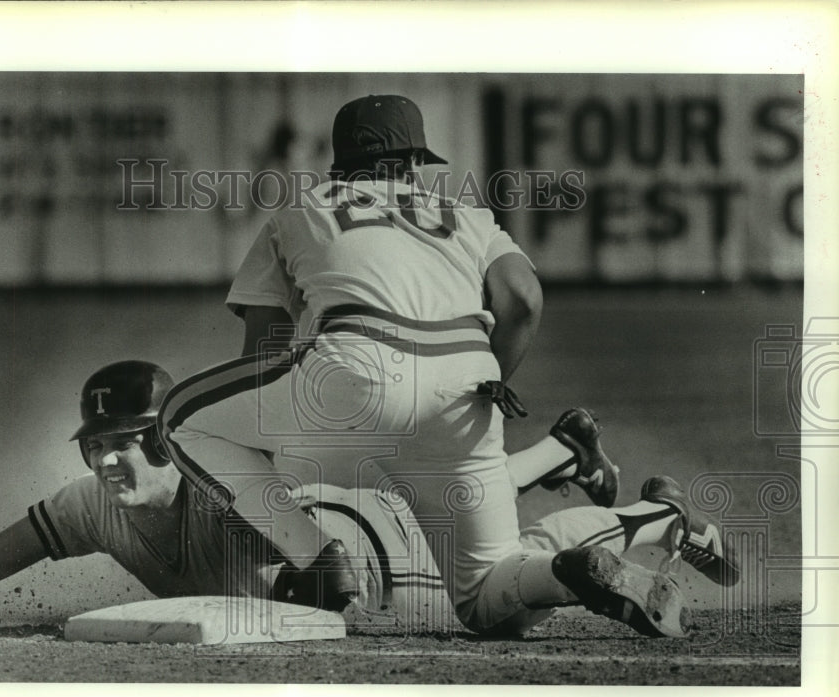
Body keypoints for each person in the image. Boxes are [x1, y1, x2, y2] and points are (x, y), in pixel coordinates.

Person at [160, 94, 738, 637]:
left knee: (181, 417)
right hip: (465, 390)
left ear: (341, 165)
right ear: (414, 162)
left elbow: (264, 350)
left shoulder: (300, 209)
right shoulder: (465, 213)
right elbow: (524, 300)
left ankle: (317, 561)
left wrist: (253, 482)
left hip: (352, 377)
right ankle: (650, 522)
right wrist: (483, 390)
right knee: (492, 602)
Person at [0, 360, 455, 630]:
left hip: (392, 559)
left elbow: (333, 583)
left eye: (122, 442)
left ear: (166, 443)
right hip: (344, 548)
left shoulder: (225, 485)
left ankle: (548, 463)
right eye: (94, 445)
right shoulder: (88, 504)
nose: (105, 460)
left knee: (500, 588)